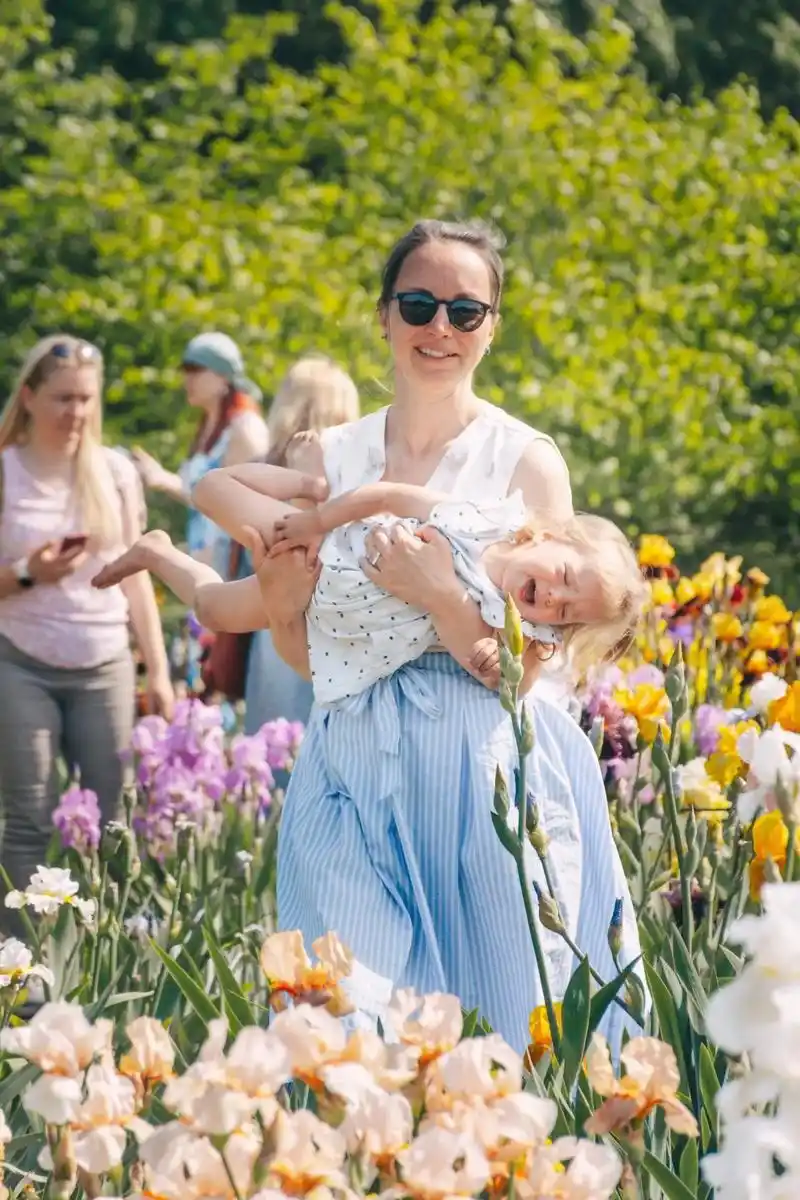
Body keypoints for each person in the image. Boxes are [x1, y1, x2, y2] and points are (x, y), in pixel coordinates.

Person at [96, 220, 646, 1054]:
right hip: (350, 760)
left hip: (481, 782)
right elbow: (302, 655)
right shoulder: (334, 454)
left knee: (494, 1036)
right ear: (385, 314)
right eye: (419, 305)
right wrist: (286, 600)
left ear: (492, 326)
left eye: (465, 311)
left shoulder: (525, 460)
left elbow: (533, 668)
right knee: (341, 1021)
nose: (440, 327)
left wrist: (437, 593)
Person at [0, 335, 173, 912]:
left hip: (105, 663)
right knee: (29, 815)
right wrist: (29, 572)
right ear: (28, 398)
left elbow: (136, 576)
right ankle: (22, 961)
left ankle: (114, 946)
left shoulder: (115, 471)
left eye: (85, 399)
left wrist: (158, 670)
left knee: (115, 819)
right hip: (20, 661)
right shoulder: (6, 471)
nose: (75, 412)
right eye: (62, 398)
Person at [243, 356, 360, 734]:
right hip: (341, 626)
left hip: (274, 621)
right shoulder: (358, 472)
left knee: (273, 743)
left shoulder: (261, 470)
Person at [131, 332, 268, 573]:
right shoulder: (209, 427)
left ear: (223, 376)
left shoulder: (245, 429)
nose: (187, 378)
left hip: (235, 573)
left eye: (195, 369)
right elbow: (203, 494)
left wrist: (165, 480)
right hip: (208, 567)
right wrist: (159, 476)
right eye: (185, 370)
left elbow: (244, 505)